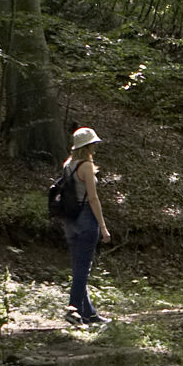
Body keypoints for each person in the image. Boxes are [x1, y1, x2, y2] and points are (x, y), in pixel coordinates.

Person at [56, 126, 112, 326]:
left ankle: (89, 314)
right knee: (83, 268)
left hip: (70, 220)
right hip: (86, 218)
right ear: (88, 146)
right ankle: (73, 310)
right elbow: (93, 199)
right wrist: (103, 227)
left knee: (78, 267)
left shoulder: (67, 164)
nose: (95, 148)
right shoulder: (86, 167)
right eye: (93, 145)